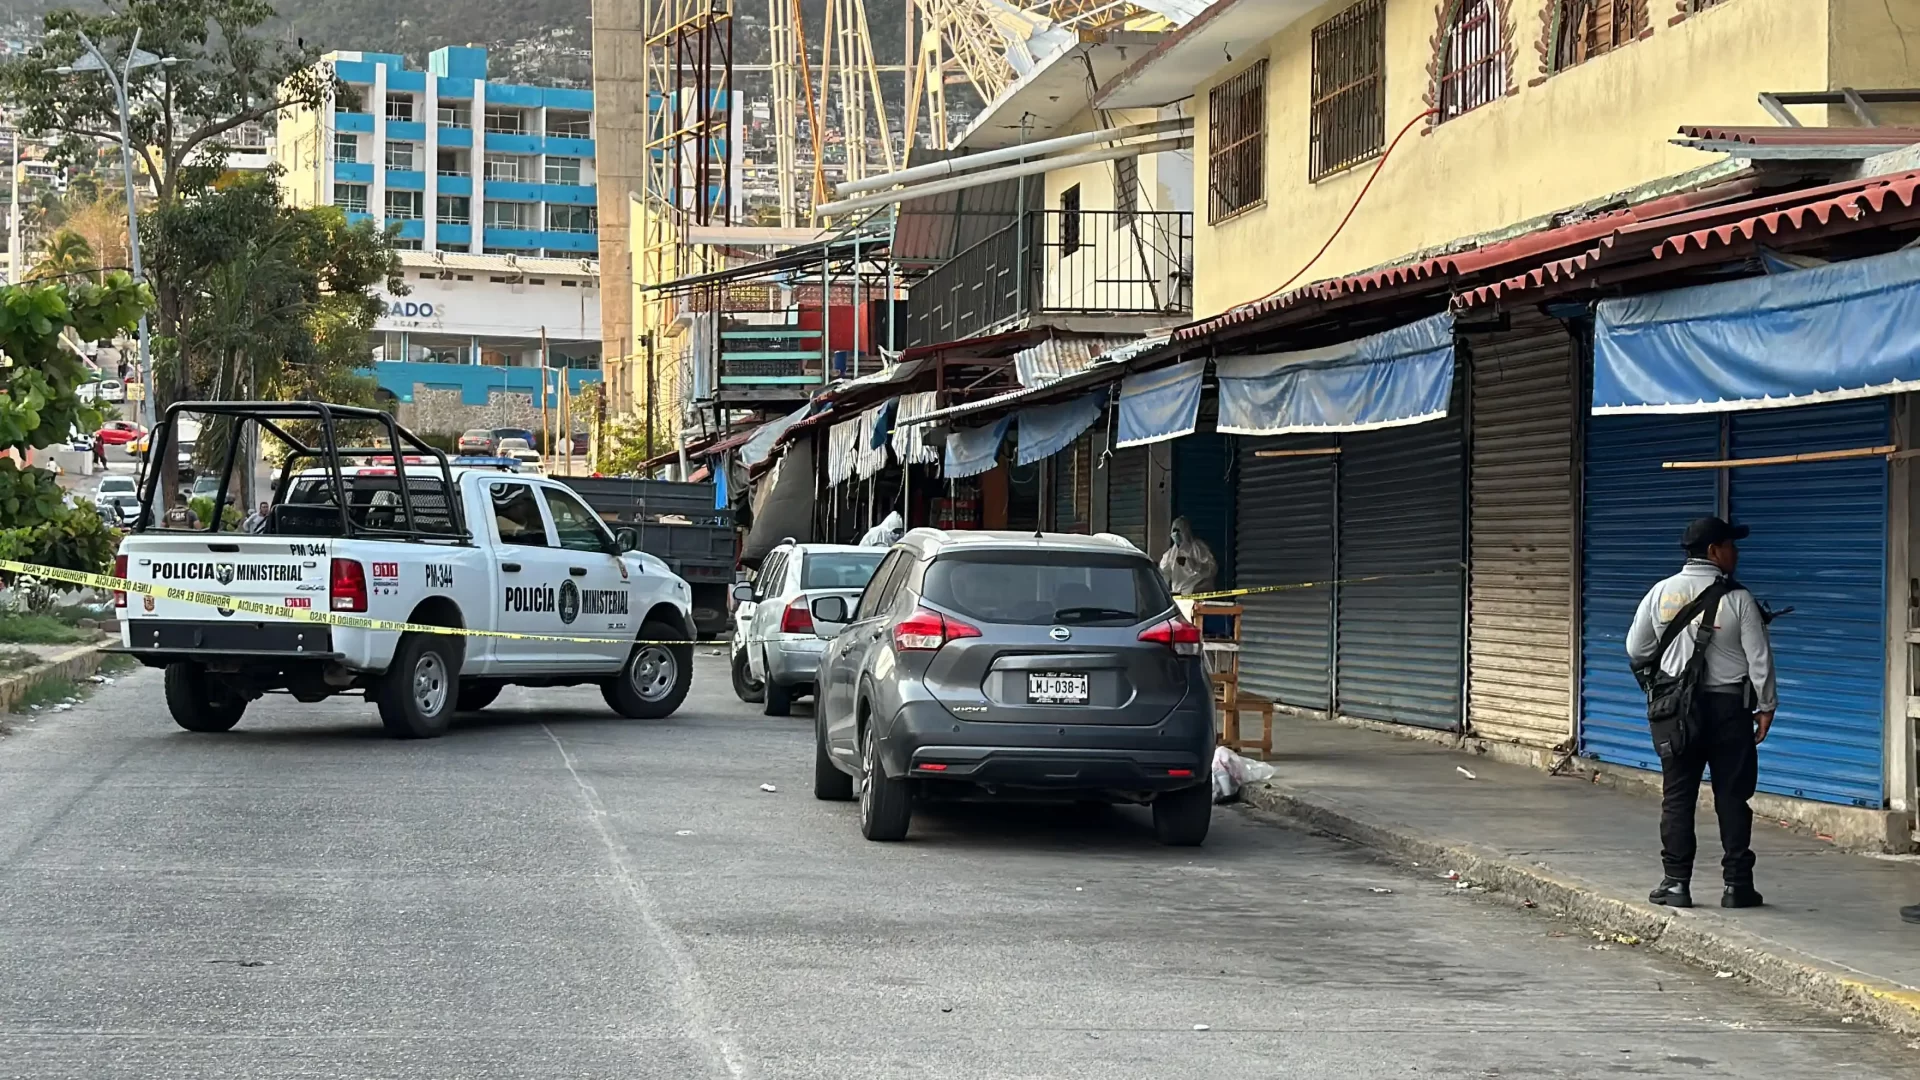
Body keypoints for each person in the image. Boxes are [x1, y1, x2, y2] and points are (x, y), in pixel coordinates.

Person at [1625, 516, 1775, 910]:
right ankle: (1737, 886)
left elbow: (1636, 650)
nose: (1736, 553)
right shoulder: (1739, 599)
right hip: (1730, 710)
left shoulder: (1660, 593)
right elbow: (1759, 660)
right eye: (1731, 545)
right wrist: (1766, 706)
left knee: (1677, 796)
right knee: (1732, 796)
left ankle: (1676, 884)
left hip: (1677, 712)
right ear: (1713, 552)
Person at [1158, 516, 1217, 596]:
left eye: (1178, 531)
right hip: (1178, 593)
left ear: (1185, 531)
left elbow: (1211, 568)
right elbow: (1163, 570)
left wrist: (1190, 563)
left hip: (1195, 591)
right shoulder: (1171, 553)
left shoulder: (1198, 548)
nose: (1176, 534)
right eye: (1174, 531)